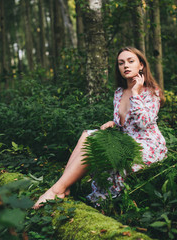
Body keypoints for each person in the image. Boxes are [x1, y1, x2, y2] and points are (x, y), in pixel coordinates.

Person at [33, 46, 167, 209]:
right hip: (126, 140)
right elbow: (125, 123)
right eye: (121, 63)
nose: (125, 66)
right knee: (87, 134)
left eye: (131, 61)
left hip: (146, 146)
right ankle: (64, 186)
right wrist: (113, 123)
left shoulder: (151, 91)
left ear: (141, 65)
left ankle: (57, 189)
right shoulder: (119, 92)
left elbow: (143, 122)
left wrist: (136, 93)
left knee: (97, 142)